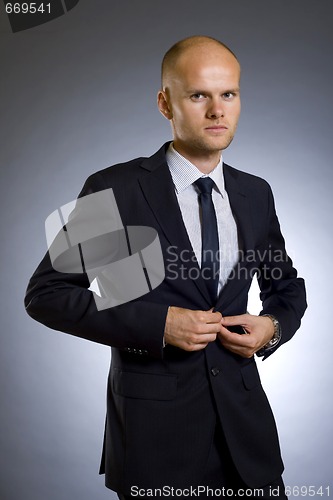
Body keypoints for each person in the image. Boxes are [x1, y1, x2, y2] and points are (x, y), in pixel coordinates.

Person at [25, 36, 307, 499]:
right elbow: (47, 295)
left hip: (248, 442)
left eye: (228, 94)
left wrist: (272, 327)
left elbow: (287, 288)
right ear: (165, 103)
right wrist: (159, 324)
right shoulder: (115, 189)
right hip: (156, 445)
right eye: (199, 95)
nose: (217, 110)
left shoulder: (256, 193)